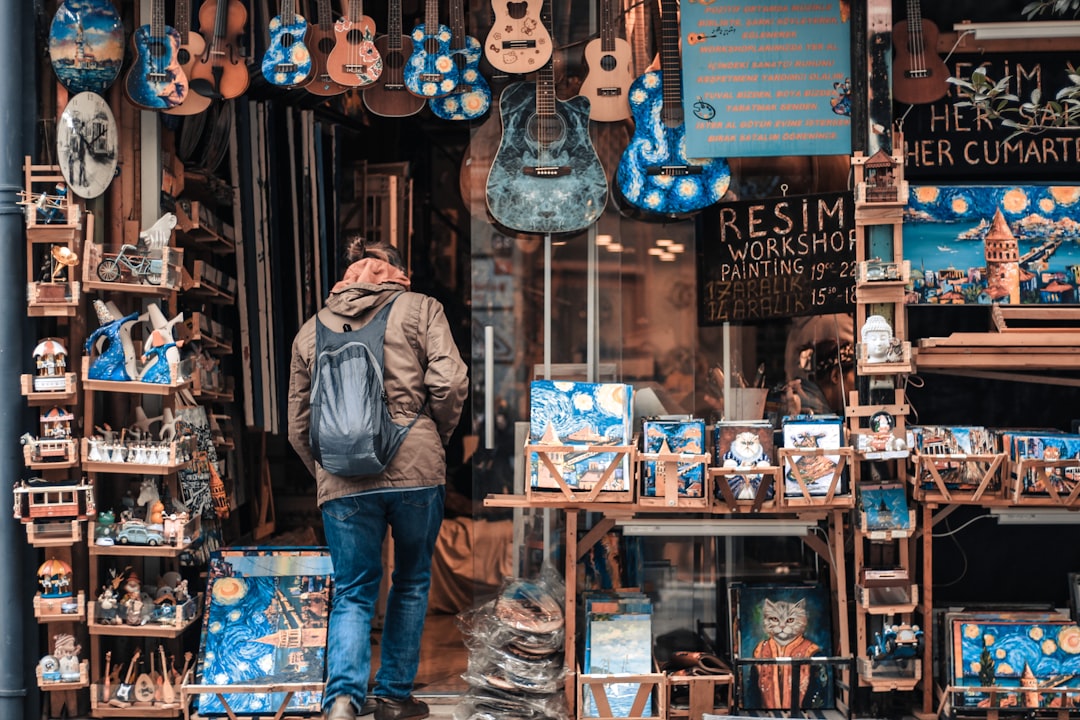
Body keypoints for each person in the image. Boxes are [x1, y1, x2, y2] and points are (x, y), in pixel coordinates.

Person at [288, 237, 469, 720]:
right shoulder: (421, 308)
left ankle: (343, 701)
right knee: (410, 580)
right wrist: (431, 436)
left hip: (341, 481)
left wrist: (329, 471)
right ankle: (392, 697)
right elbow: (450, 383)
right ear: (400, 273)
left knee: (353, 588)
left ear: (350, 275)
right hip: (415, 472)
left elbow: (297, 426)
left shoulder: (310, 330)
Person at [784, 338, 855, 416]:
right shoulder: (815, 413)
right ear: (835, 376)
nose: (859, 385)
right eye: (856, 377)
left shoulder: (807, 399)